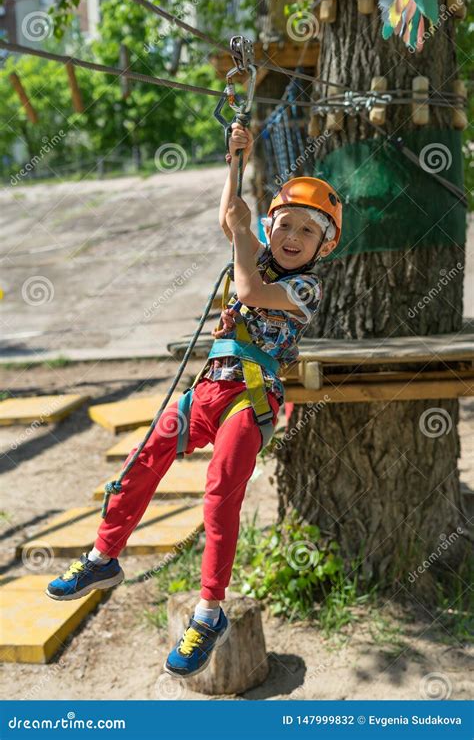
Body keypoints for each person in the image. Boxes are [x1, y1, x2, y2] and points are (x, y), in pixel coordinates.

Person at [45, 122, 342, 679]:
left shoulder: (306, 288)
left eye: (309, 230)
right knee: (145, 456)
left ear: (324, 245)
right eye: (286, 224)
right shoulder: (255, 249)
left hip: (249, 397)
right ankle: (103, 556)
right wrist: (236, 160)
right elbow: (230, 216)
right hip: (208, 387)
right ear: (273, 225)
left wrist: (242, 236)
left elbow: (251, 291)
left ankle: (210, 611)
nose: (294, 236)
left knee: (219, 491)